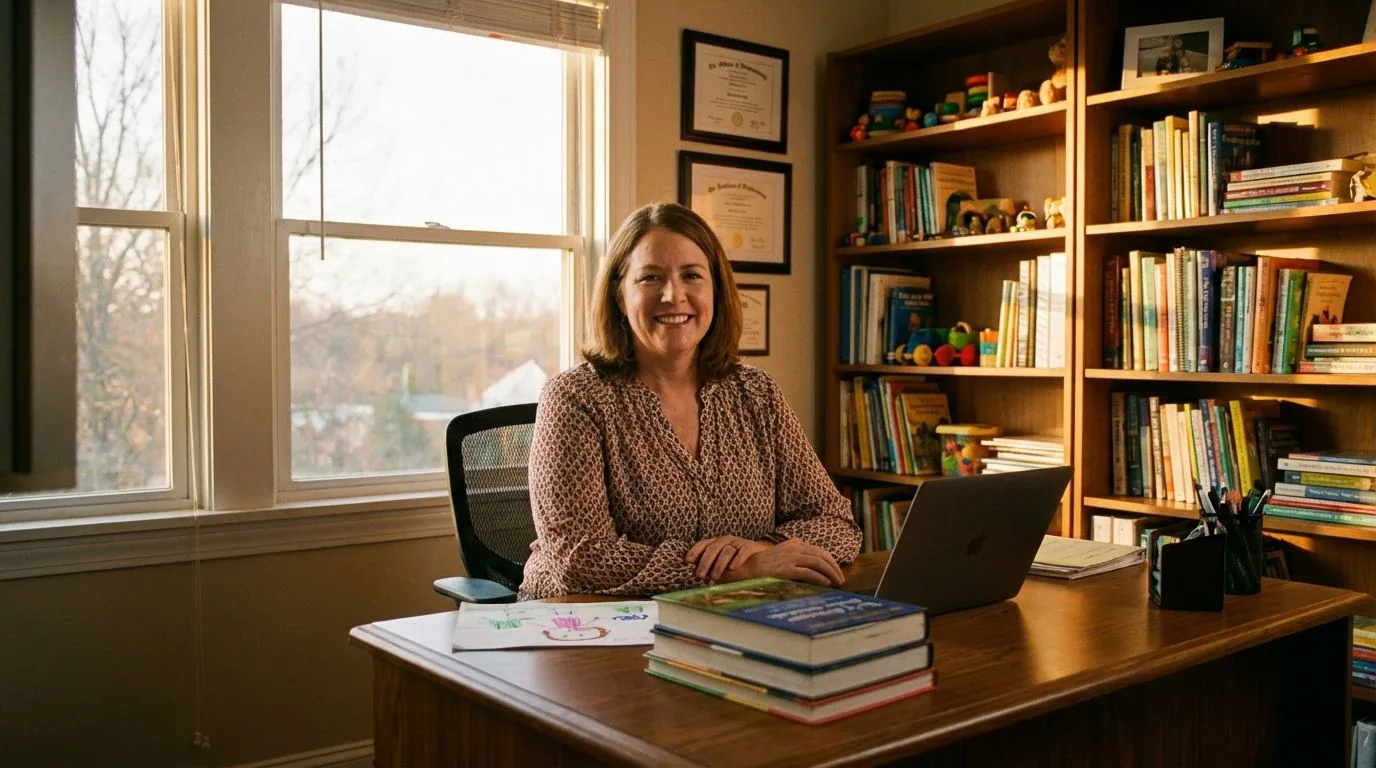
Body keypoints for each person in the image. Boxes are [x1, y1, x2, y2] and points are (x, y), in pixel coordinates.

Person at [517, 202, 862, 600]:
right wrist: (738, 571)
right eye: (650, 278)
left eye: (692, 275)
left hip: (726, 615)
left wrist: (764, 549)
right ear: (619, 295)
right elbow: (580, 559)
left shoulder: (756, 392)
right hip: (583, 620)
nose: (673, 295)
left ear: (715, 289)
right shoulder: (575, 398)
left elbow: (836, 523)